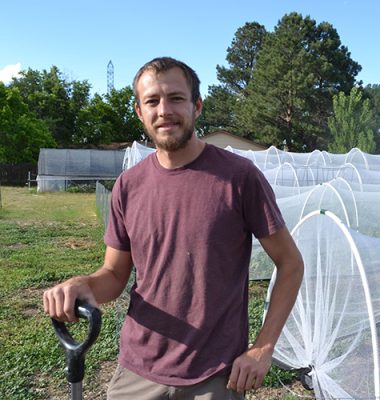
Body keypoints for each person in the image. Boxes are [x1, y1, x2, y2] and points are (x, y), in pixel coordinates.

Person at [43, 56, 304, 400]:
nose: (164, 110)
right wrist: (83, 286)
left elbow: (290, 263)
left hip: (214, 376)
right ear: (140, 112)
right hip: (137, 369)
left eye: (176, 98)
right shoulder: (128, 185)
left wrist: (263, 347)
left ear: (197, 106)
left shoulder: (239, 178)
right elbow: (113, 275)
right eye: (152, 101)